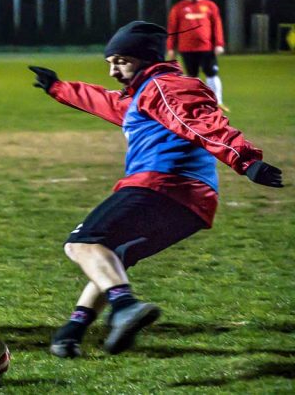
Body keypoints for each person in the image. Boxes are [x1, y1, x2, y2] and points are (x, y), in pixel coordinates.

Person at [29, 21, 283, 358]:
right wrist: (58, 87)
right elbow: (108, 103)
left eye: (121, 61)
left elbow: (200, 122)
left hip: (162, 185)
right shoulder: (145, 94)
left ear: (146, 58)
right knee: (114, 256)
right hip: (191, 205)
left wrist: (246, 161)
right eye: (109, 63)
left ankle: (125, 307)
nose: (113, 71)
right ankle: (73, 329)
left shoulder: (167, 87)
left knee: (82, 244)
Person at [167, 0, 228, 112]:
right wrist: (170, 47)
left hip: (207, 48)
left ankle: (217, 102)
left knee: (211, 73)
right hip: (187, 48)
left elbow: (217, 25)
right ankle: (195, 104)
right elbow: (172, 28)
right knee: (192, 77)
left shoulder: (210, 5)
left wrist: (219, 44)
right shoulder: (178, 8)